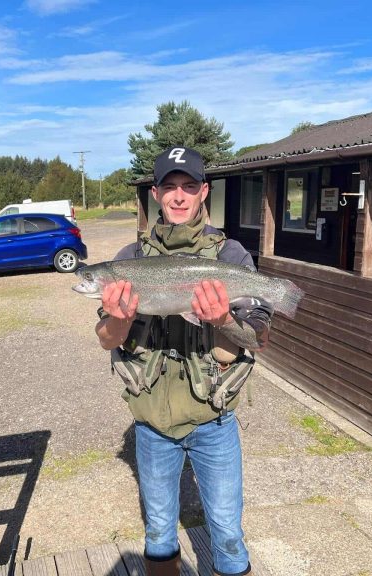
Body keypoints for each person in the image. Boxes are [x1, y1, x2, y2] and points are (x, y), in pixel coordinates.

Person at [94, 146, 272, 576]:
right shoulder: (128, 260)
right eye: (169, 187)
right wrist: (120, 318)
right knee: (158, 531)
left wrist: (223, 319)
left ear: (203, 192)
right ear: (155, 194)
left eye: (188, 186)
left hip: (214, 420)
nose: (178, 196)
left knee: (227, 530)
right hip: (152, 423)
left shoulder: (232, 257)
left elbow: (258, 338)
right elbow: (105, 339)